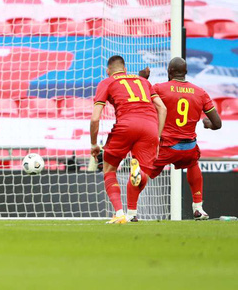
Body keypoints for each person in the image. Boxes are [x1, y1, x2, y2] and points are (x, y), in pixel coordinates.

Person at [138, 58, 222, 220]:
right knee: (193, 163)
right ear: (186, 72)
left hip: (165, 148)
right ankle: (198, 207)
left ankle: (129, 211)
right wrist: (208, 124)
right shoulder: (200, 92)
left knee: (143, 173)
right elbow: (217, 123)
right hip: (188, 148)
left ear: (169, 72)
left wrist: (143, 79)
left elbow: (138, 99)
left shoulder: (159, 88)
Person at [90, 55, 167, 224]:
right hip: (149, 128)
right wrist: (158, 136)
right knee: (142, 172)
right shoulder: (144, 82)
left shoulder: (107, 81)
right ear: (125, 69)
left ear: (108, 71)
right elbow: (162, 107)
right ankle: (132, 212)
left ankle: (119, 213)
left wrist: (94, 144)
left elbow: (95, 118)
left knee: (110, 170)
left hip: (126, 125)